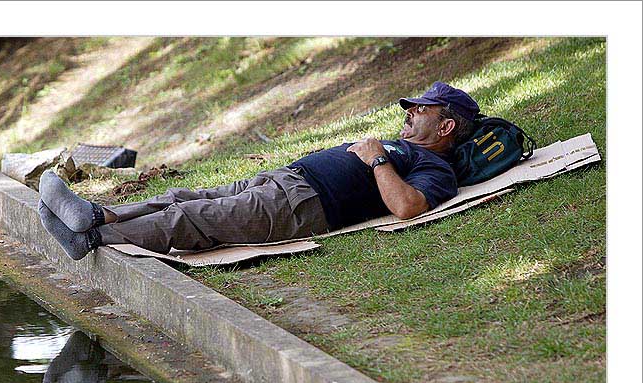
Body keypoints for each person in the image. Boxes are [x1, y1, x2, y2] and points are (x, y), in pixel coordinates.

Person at [37, 81, 479, 260]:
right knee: (184, 197)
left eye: (422, 108)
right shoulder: (409, 145)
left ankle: (90, 238)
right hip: (284, 181)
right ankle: (95, 215)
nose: (410, 111)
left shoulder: (435, 167)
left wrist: (377, 158)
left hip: (303, 205)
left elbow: (408, 207)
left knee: (193, 220)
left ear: (445, 125)